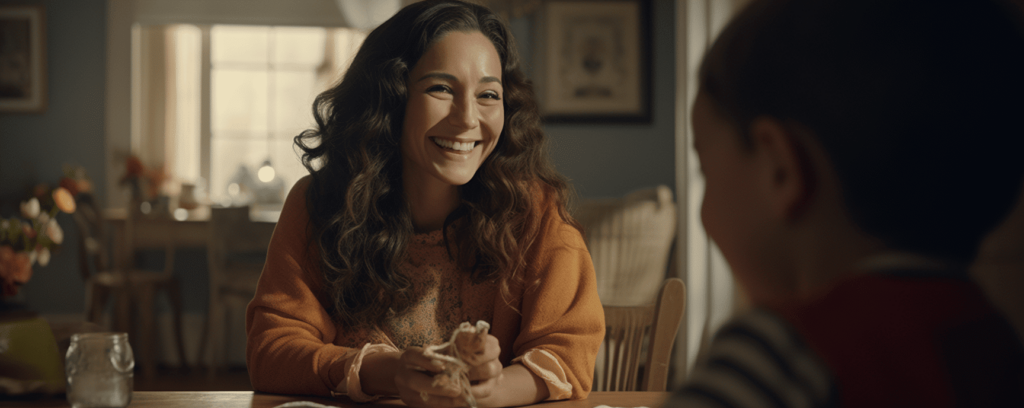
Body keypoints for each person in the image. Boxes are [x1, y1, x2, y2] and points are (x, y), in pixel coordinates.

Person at [665, 0, 1024, 406]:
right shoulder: (990, 338)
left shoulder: (782, 356)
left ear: (780, 169)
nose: (704, 213)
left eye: (704, 172)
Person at [245, 0, 604, 406]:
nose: (468, 118)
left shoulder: (537, 213)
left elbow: (568, 354)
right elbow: (271, 350)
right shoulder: (316, 205)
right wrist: (391, 373)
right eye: (441, 89)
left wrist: (484, 389)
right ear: (391, 99)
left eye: (488, 94)